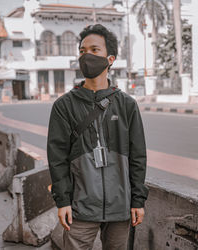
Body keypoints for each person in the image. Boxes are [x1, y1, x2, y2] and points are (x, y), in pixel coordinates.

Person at [47, 24, 149, 250]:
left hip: (120, 208)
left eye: (94, 50)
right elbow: (57, 158)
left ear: (110, 59)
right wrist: (62, 201)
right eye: (83, 51)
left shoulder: (127, 105)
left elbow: (138, 156)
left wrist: (138, 201)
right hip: (80, 208)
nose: (87, 56)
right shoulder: (64, 106)